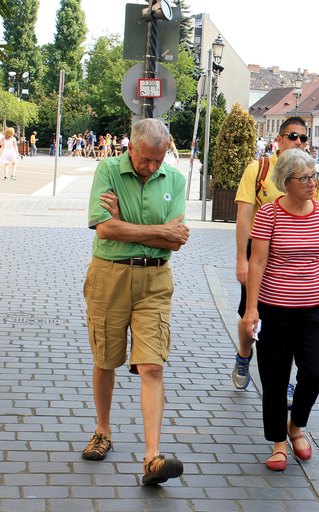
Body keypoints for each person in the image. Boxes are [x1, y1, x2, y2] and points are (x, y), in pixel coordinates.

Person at [82, 118, 190, 485]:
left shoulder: (174, 179)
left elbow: (176, 240)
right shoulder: (108, 169)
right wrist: (155, 231)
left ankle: (152, 458)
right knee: (106, 359)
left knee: (152, 365)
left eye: (158, 160)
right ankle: (102, 430)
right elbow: (104, 228)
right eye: (146, 160)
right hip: (109, 276)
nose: (152, 167)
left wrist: (124, 222)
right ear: (131, 149)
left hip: (156, 281)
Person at [241, 148, 319, 471]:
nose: (312, 182)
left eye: (314, 176)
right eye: (305, 178)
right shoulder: (269, 214)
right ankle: (278, 441)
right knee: (274, 376)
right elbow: (257, 261)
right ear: (287, 182)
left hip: (314, 307)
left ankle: (296, 424)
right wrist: (252, 308)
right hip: (274, 308)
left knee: (315, 371)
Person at [232, 117, 319, 402]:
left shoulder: (311, 174)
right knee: (250, 314)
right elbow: (244, 216)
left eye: (303, 138)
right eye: (293, 136)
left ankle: (284, 378)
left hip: (295, 259)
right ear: (280, 139)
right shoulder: (258, 169)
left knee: (292, 320)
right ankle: (244, 354)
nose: (298, 142)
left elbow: (318, 214)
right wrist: (241, 259)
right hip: (260, 254)